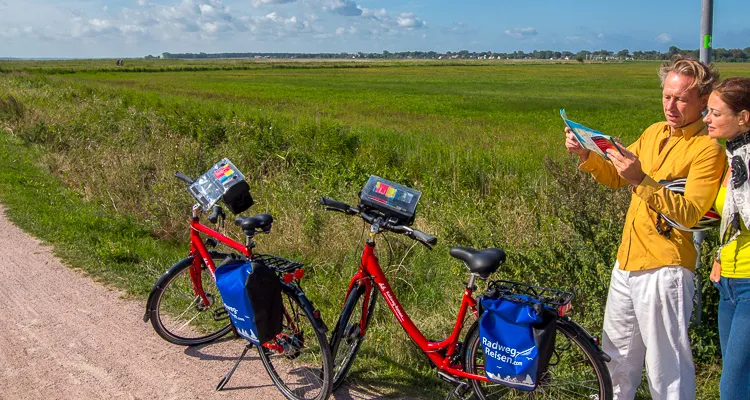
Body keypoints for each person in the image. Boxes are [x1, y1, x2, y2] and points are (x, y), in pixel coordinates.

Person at [564, 56, 725, 400]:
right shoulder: (653, 133)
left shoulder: (708, 150)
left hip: (666, 267)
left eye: (682, 98)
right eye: (667, 96)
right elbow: (614, 177)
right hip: (627, 260)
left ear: (702, 101)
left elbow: (692, 214)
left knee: (666, 369)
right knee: (615, 359)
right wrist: (586, 155)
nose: (672, 105)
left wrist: (641, 179)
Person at [706, 77, 750, 400]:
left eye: (715, 113)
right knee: (739, 381)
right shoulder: (731, 156)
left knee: (732, 388)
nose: (707, 119)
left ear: (743, 117)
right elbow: (731, 215)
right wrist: (720, 256)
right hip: (729, 285)